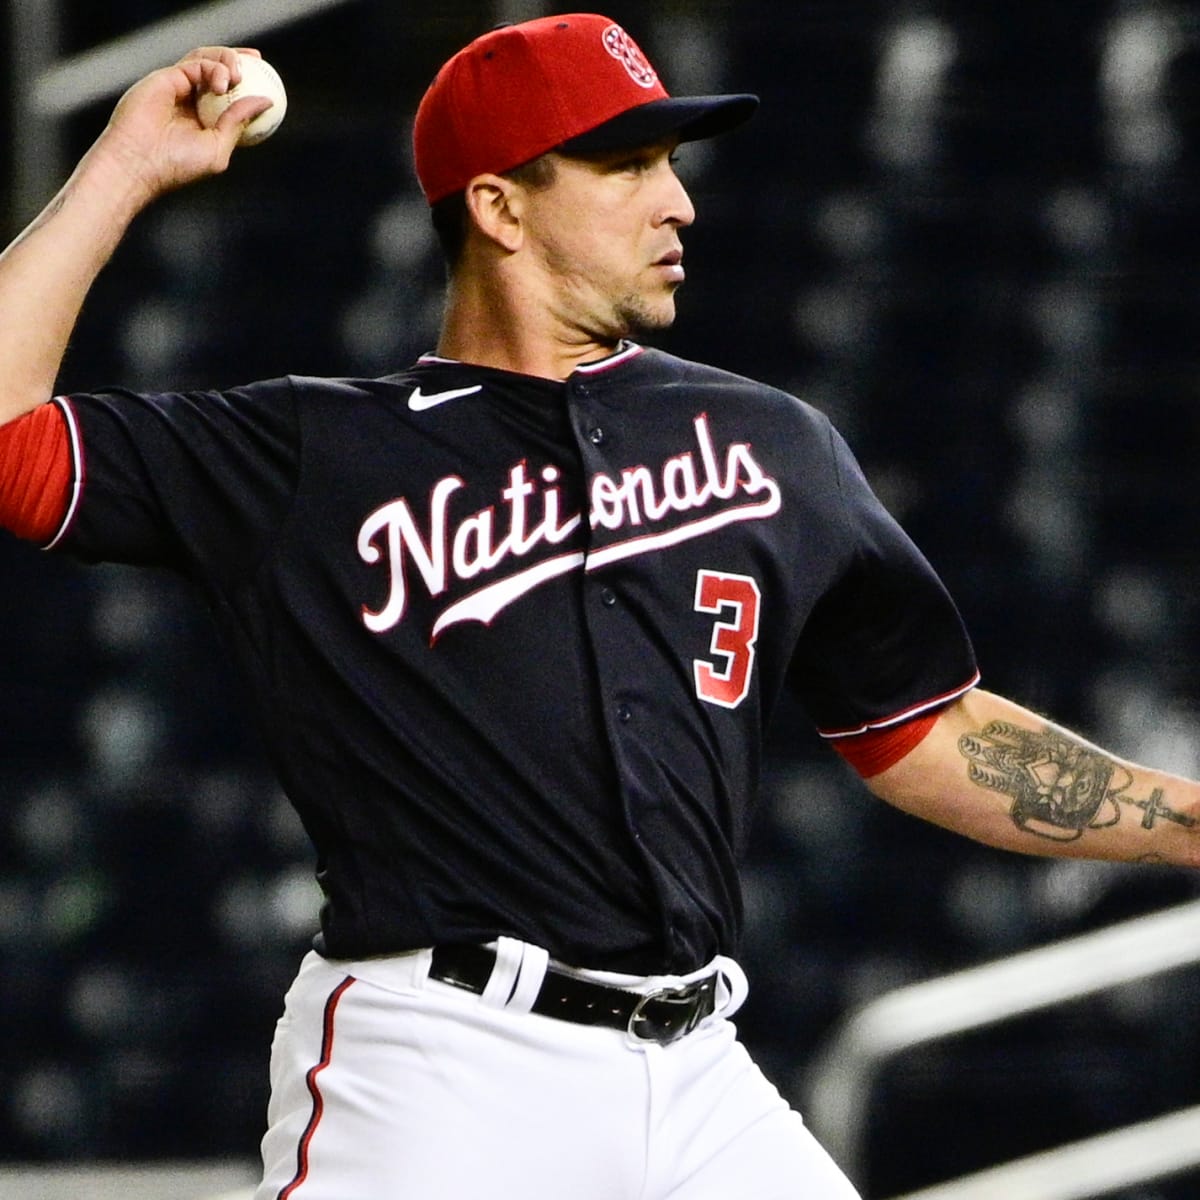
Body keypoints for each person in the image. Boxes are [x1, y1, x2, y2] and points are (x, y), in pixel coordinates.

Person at [0, 13, 1196, 1200]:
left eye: (671, 163)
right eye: (626, 166)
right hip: (443, 1065)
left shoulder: (770, 444)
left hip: (696, 1068)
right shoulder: (316, 451)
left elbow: (921, 727)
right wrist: (125, 165)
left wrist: (1187, 821)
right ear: (499, 207)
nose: (677, 202)